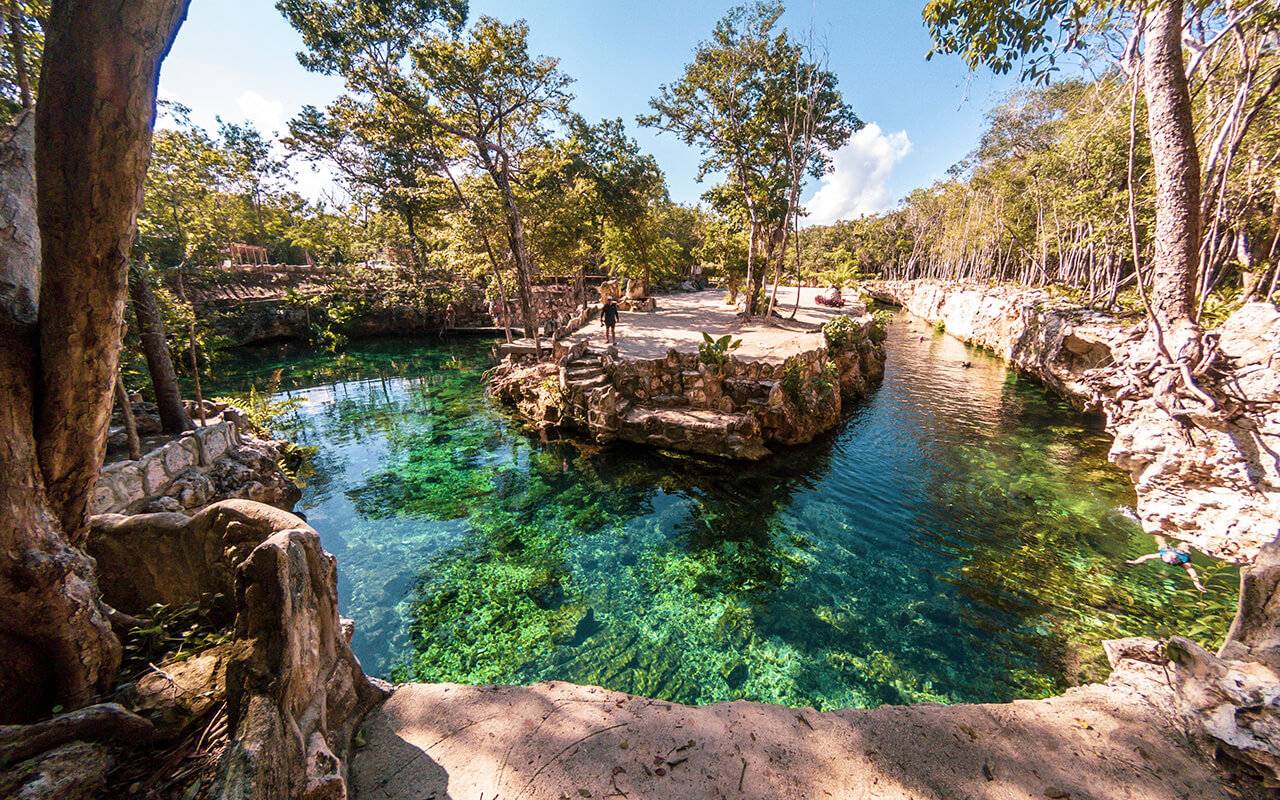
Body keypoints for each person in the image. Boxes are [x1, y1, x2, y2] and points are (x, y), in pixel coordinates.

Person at [1126, 537, 1205, 592]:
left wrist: (1197, 583)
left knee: (1184, 548)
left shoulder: (1183, 562)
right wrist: (1135, 561)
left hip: (1180, 552)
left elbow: (1192, 572)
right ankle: (1160, 535)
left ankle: (1159, 535)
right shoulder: (1164, 554)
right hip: (1170, 551)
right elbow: (1146, 557)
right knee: (1165, 545)